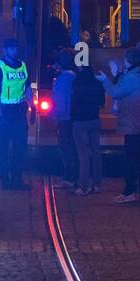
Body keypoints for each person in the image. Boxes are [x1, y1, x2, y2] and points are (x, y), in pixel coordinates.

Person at [99, 46, 140, 203]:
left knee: (131, 159)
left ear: (127, 60)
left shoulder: (133, 77)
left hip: (134, 124)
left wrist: (105, 80)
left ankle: (129, 191)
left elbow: (116, 92)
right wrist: (118, 73)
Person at [0, 38, 33, 190]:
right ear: (5, 50)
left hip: (19, 110)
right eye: (12, 48)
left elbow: (27, 88)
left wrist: (32, 107)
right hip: (5, 111)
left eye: (16, 48)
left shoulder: (23, 66)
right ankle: (4, 179)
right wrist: (0, 115)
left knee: (20, 148)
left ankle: (17, 179)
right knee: (3, 148)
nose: (15, 51)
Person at [70, 60, 105, 195]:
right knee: (96, 152)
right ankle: (96, 185)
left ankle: (83, 186)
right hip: (94, 120)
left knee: (82, 154)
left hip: (79, 121)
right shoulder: (97, 83)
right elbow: (101, 103)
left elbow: (73, 103)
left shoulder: (76, 83)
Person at [51, 49, 78, 187]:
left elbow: (60, 100)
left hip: (64, 118)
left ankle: (69, 178)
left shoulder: (62, 79)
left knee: (65, 147)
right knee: (72, 147)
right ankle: (73, 177)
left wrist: (54, 115)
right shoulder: (75, 76)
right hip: (72, 117)